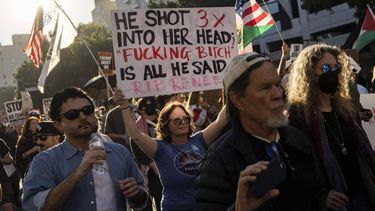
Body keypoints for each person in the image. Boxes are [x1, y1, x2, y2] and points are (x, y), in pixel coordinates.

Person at [195, 52, 327, 211]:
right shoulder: (219, 160)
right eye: (265, 88)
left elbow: (319, 196)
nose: (278, 94)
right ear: (238, 99)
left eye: (278, 85)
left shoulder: (297, 139)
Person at [22, 87, 148, 211]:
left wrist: (135, 193)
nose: (82, 117)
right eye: (72, 114)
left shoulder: (119, 152)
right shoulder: (45, 162)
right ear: (58, 124)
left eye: (87, 110)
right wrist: (77, 174)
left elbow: (141, 198)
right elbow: (33, 207)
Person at [287, 43, 375, 211]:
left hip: (362, 194)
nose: (333, 73)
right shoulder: (298, 117)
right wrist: (321, 196)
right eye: (326, 68)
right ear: (310, 74)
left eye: (337, 67)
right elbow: (297, 166)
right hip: (335, 204)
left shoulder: (345, 109)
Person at [113, 88, 228, 211]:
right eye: (177, 120)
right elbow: (136, 135)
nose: (183, 123)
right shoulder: (160, 148)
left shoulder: (199, 140)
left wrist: (234, 82)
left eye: (186, 119)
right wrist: (124, 106)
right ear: (166, 124)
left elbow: (221, 120)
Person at [130, 97, 162, 211]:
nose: (150, 107)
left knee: (162, 202)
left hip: (164, 164)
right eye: (146, 106)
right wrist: (152, 164)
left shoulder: (163, 121)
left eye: (152, 104)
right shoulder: (137, 127)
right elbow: (136, 147)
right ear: (141, 110)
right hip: (148, 170)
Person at [0, 138, 20, 211]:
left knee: (7, 203)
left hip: (3, 180)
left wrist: (1, 160)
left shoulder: (0, 142)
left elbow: (9, 159)